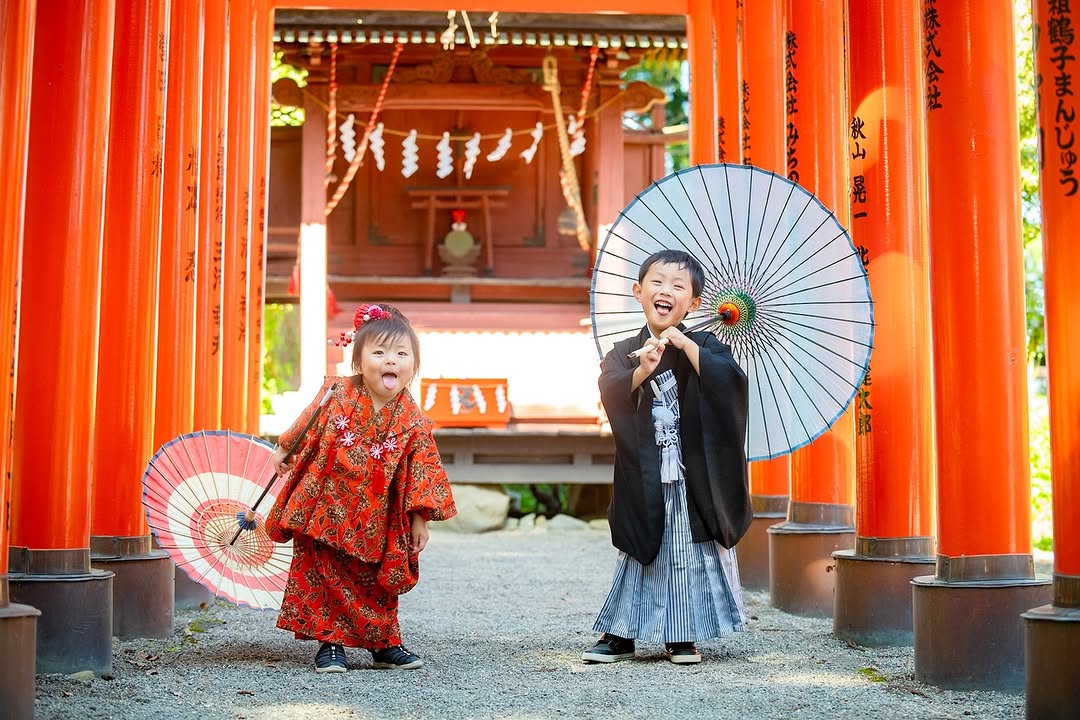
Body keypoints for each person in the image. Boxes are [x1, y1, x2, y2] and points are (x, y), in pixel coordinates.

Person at [264, 303, 457, 673]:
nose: (391, 361)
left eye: (402, 354)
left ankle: (383, 643)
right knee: (323, 572)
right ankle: (330, 643)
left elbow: (422, 470)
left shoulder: (412, 420)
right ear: (358, 361)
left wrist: (421, 519)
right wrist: (285, 447)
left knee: (377, 582)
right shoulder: (336, 393)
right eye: (380, 352)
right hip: (326, 503)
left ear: (413, 365)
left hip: (379, 515)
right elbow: (308, 422)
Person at [582, 249, 752, 666]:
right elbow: (611, 389)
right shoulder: (625, 351)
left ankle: (682, 635)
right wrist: (642, 370)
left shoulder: (706, 345)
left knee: (686, 551)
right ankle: (621, 633)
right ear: (639, 291)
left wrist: (687, 346)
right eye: (657, 282)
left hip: (692, 477)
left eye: (679, 286)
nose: (666, 291)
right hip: (644, 475)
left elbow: (730, 385)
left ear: (694, 304)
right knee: (641, 549)